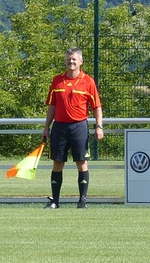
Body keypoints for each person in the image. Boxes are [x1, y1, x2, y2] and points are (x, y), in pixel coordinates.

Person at [41, 48, 104, 209]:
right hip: (59, 127)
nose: (71, 62)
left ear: (81, 61)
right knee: (57, 163)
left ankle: (82, 201)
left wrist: (99, 126)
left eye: (74, 59)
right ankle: (55, 201)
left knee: (81, 162)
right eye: (69, 59)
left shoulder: (88, 81)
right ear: (65, 61)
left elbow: (96, 107)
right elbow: (52, 106)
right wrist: (46, 127)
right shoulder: (57, 81)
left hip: (79, 127)